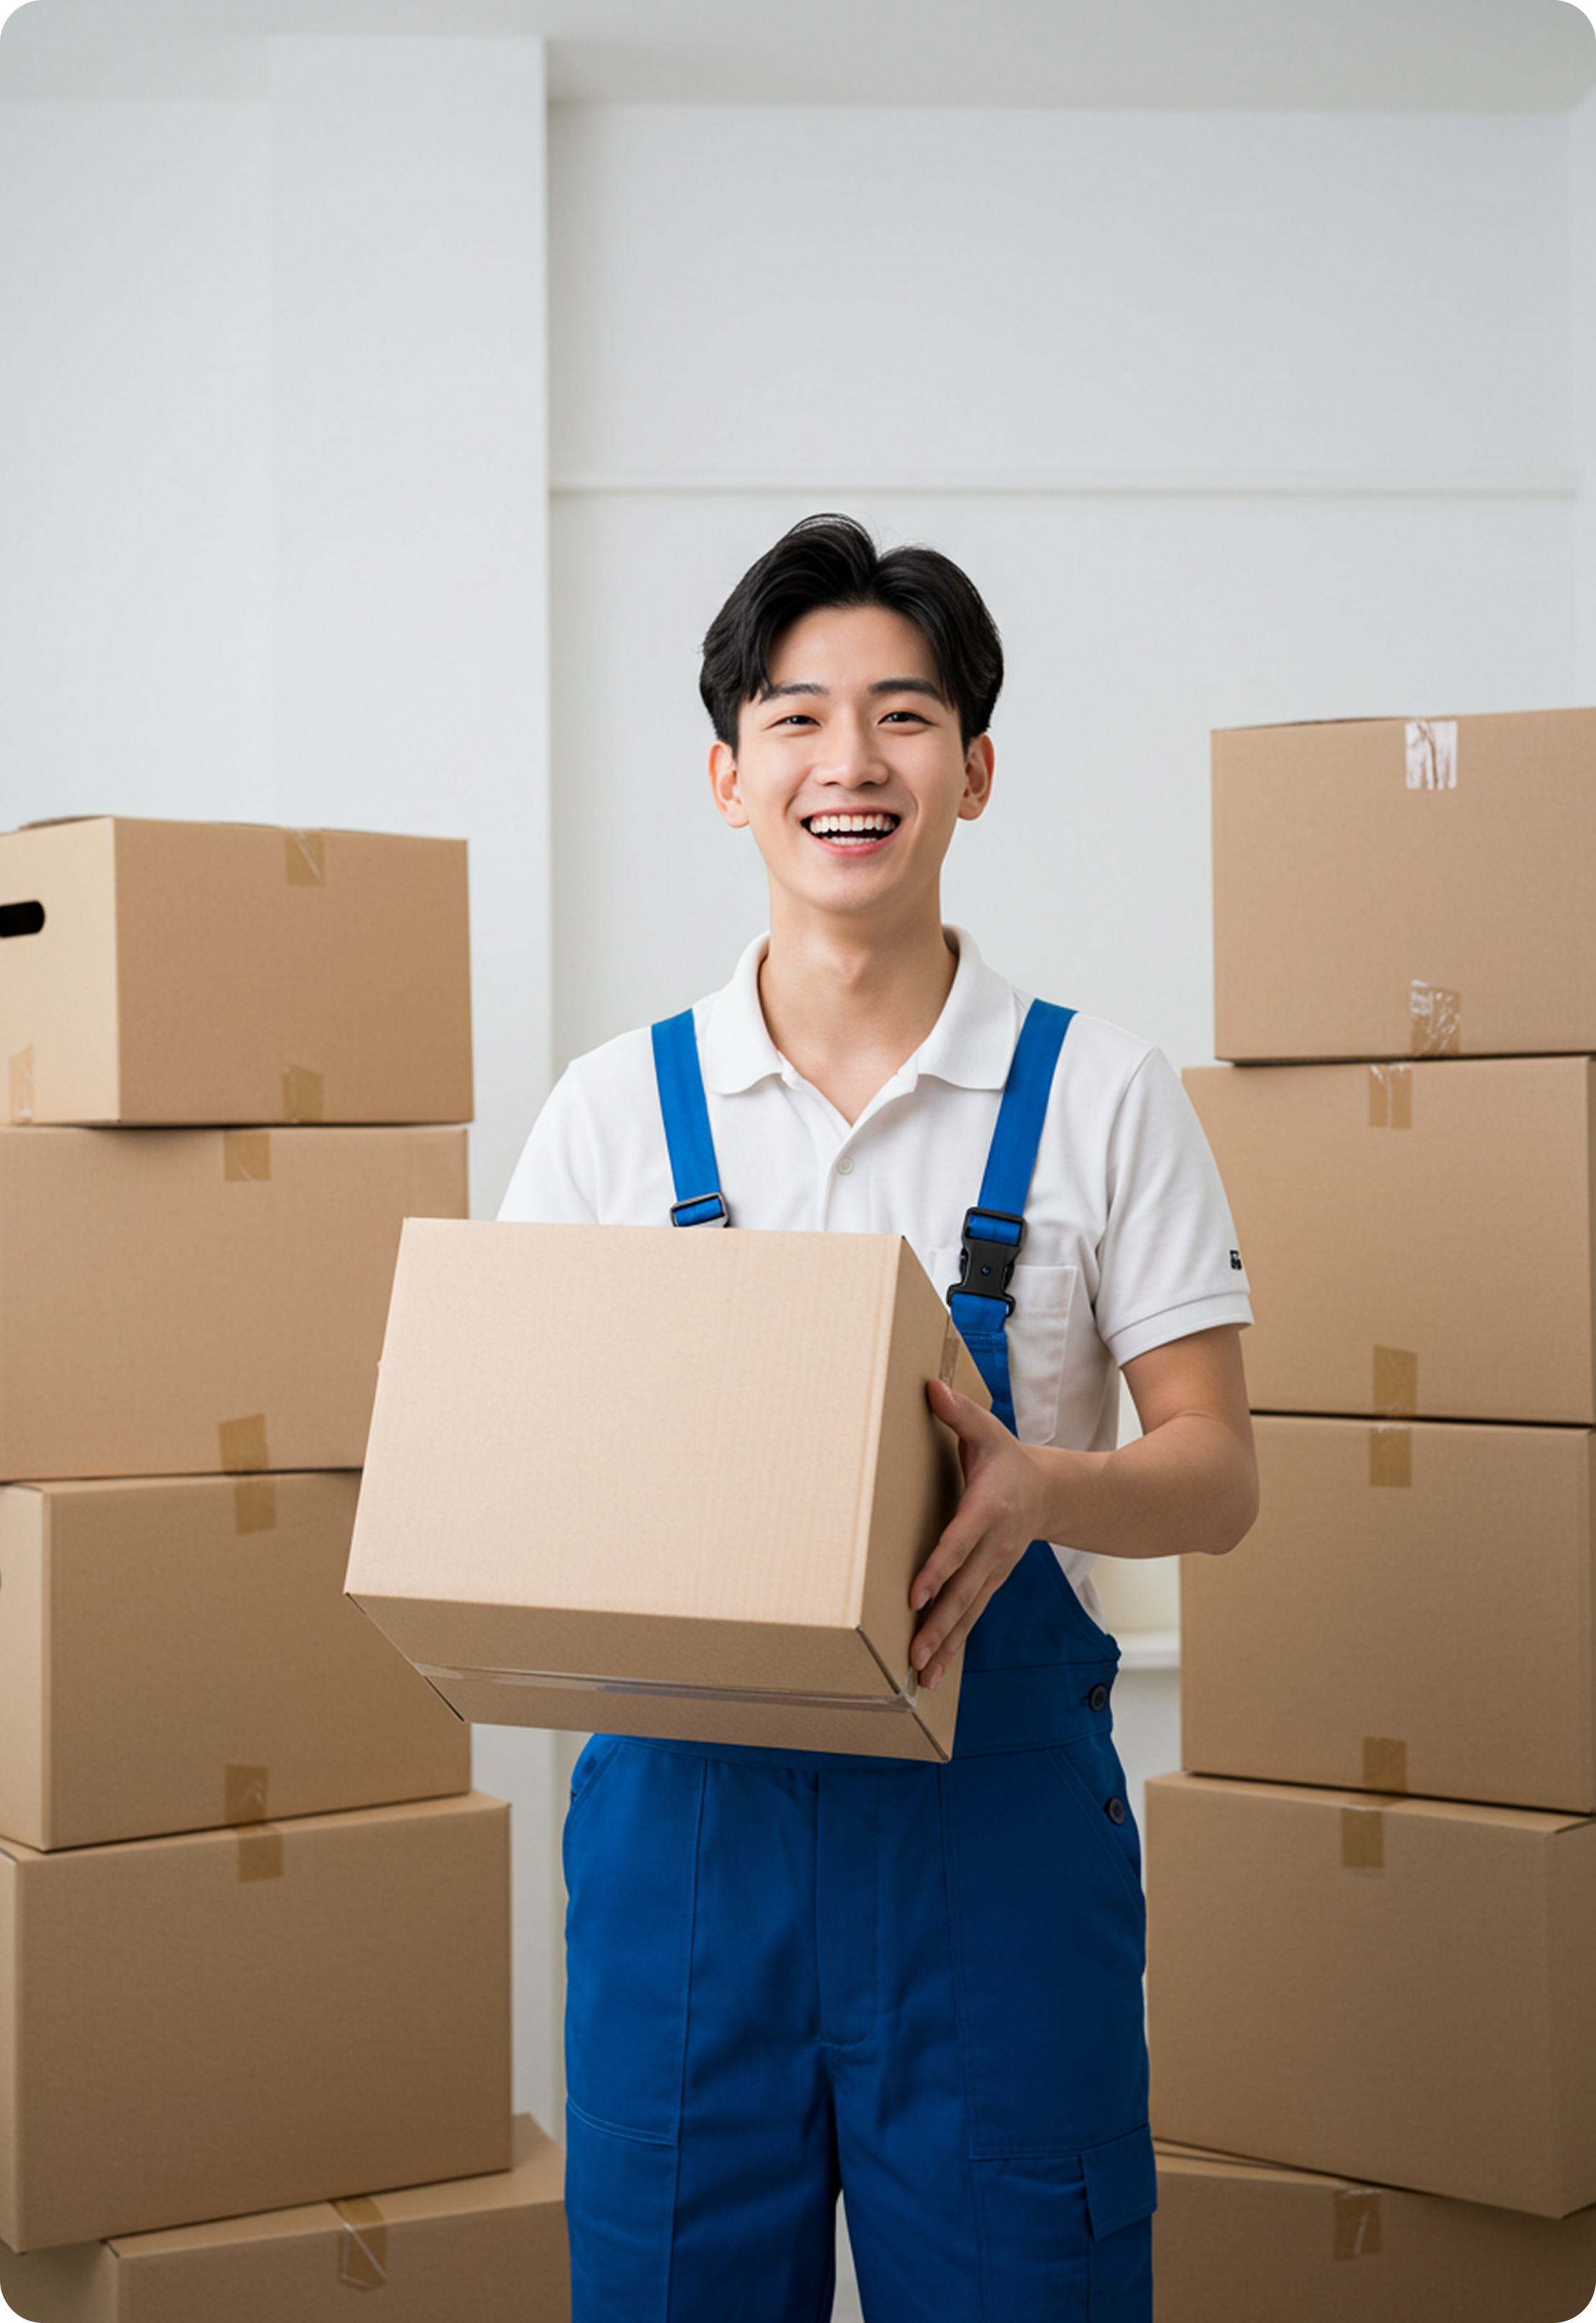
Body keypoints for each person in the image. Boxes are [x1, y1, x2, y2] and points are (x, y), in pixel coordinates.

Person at [498, 513, 1257, 2323]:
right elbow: (514, 1464)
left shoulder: (1104, 1093)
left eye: (905, 716)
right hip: (688, 1858)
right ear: (727, 775)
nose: (852, 761)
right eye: (798, 717)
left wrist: (1043, 1484)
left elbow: (1219, 1473)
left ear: (975, 770)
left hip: (996, 1848)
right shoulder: (610, 1115)